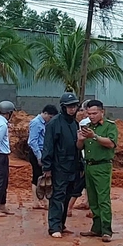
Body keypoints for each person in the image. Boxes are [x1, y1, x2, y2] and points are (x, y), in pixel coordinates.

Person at [42, 92, 83, 238]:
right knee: (57, 197)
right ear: (63, 107)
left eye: (74, 106)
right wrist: (47, 167)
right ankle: (54, 227)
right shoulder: (54, 123)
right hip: (58, 167)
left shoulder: (74, 123)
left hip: (73, 166)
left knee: (67, 196)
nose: (72, 109)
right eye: (69, 106)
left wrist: (80, 165)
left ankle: (62, 224)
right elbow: (48, 146)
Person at [78, 100, 119, 243]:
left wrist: (94, 136)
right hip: (89, 165)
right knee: (93, 199)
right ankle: (96, 228)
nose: (92, 116)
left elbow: (111, 143)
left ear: (102, 112)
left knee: (103, 199)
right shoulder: (87, 127)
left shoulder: (109, 126)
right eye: (89, 114)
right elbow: (80, 147)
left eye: (95, 113)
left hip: (102, 166)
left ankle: (107, 230)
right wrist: (81, 140)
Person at [28, 104, 58, 209]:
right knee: (37, 176)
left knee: (44, 176)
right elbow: (32, 142)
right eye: (50, 117)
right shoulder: (36, 123)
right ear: (45, 114)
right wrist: (39, 156)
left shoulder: (45, 123)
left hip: (43, 152)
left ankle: (44, 201)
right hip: (37, 152)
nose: (50, 120)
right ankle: (36, 202)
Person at [68, 99, 91, 216]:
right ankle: (70, 208)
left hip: (84, 158)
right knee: (82, 184)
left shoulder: (82, 123)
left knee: (82, 184)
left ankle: (71, 207)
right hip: (87, 160)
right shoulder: (85, 123)